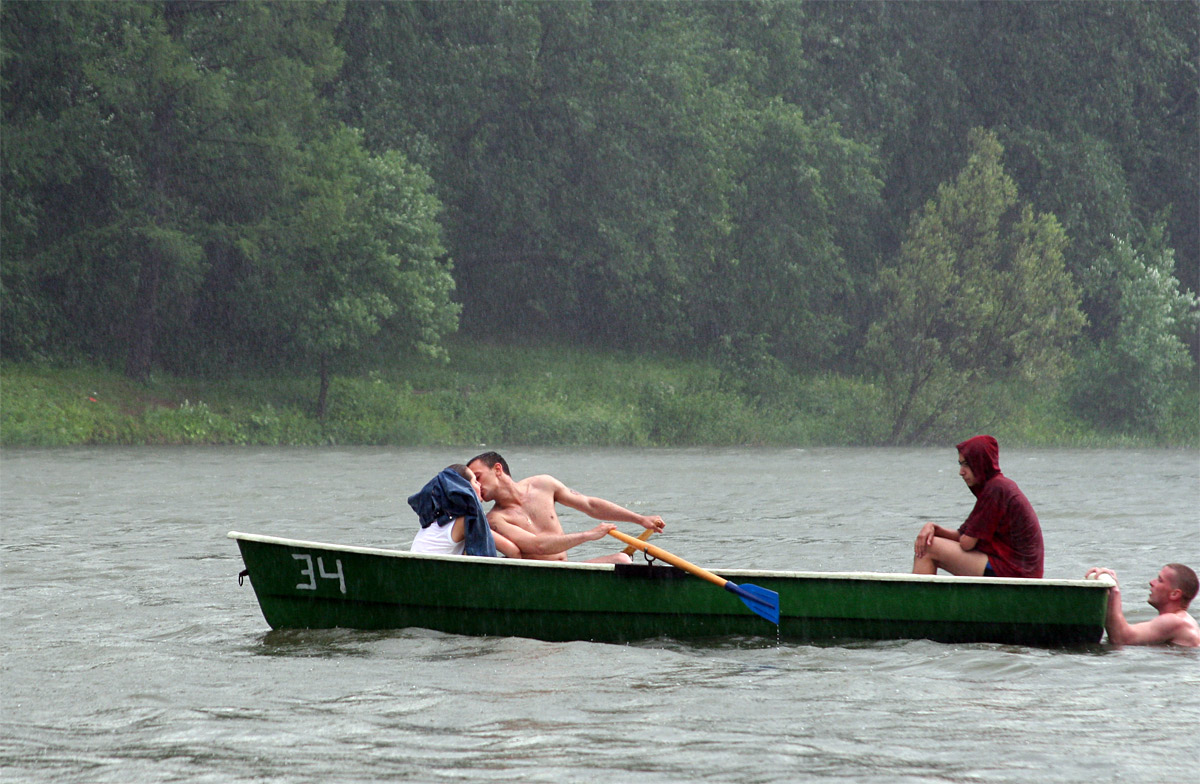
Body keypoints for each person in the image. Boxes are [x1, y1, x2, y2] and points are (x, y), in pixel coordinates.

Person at [465, 451, 665, 564]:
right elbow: (538, 546)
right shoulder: (494, 520)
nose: (476, 485)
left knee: (622, 559)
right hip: (540, 578)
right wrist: (588, 535)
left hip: (567, 568)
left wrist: (640, 519)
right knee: (623, 561)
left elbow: (590, 505)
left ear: (497, 469)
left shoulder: (543, 484)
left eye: (478, 477)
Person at [912, 434, 1044, 578]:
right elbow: (963, 536)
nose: (961, 472)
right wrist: (933, 528)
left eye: (966, 464)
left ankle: (917, 600)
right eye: (960, 464)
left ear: (980, 463)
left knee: (928, 548)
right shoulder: (995, 487)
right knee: (929, 541)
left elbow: (967, 543)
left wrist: (962, 539)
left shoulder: (997, 488)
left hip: (1017, 572)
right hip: (1014, 567)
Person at [407, 464, 519, 557]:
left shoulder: (433, 519)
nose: (480, 485)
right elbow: (513, 551)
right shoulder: (466, 518)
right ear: (464, 488)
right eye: (475, 481)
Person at [1084, 564, 1200, 647]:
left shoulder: (1176, 621)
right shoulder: (1180, 621)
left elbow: (1121, 638)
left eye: (1160, 580)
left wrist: (1114, 590)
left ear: (1175, 594)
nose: (1151, 582)